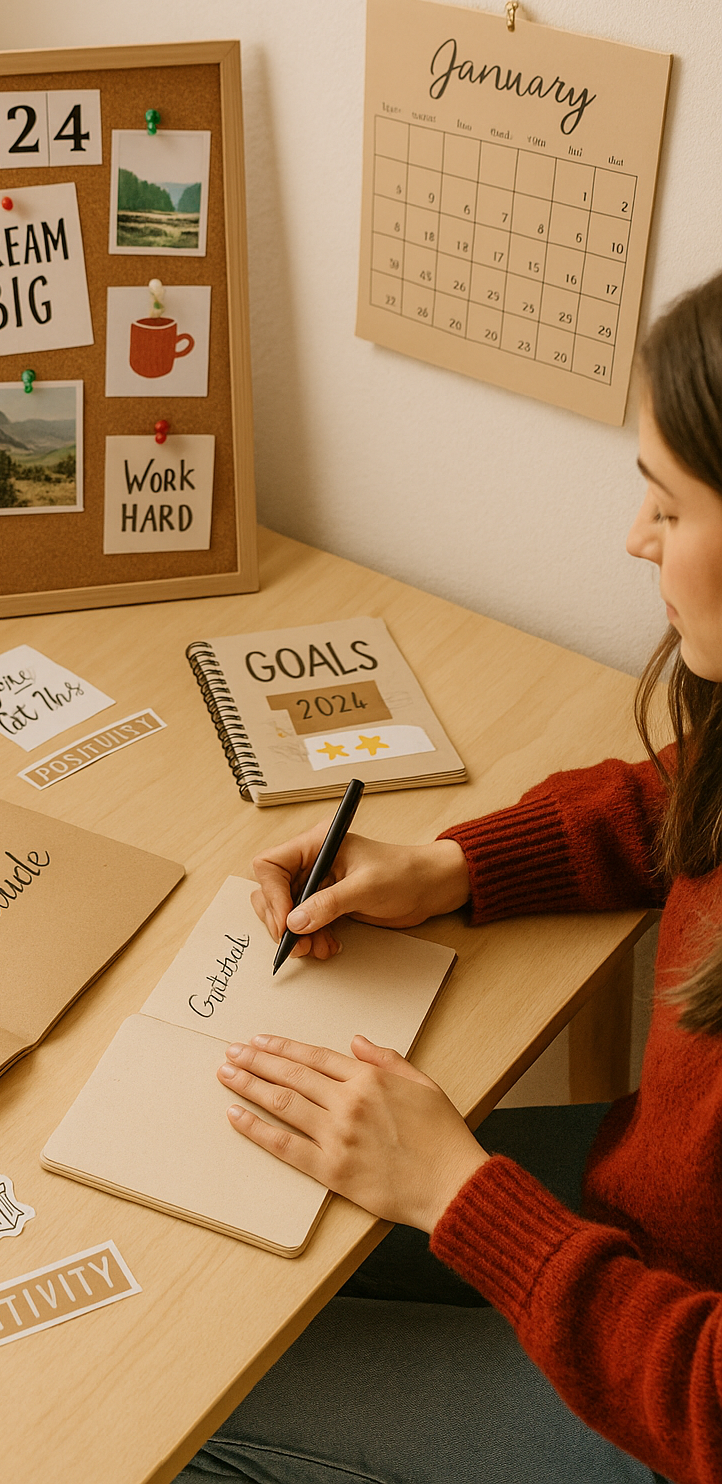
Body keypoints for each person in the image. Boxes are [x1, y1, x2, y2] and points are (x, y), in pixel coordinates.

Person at [174, 271, 722, 1484]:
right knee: (233, 1225)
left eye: (669, 505)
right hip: (653, 1228)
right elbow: (681, 801)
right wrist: (449, 866)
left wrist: (460, 1194)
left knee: (184, 1408)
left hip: (672, 1402)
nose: (633, 538)